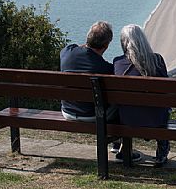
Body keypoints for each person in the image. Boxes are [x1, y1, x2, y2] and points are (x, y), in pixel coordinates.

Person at [60, 21, 141, 162]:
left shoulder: (68, 52)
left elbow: (74, 49)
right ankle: (124, 150)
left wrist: (86, 48)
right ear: (107, 45)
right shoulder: (106, 68)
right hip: (91, 116)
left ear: (88, 38)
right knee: (123, 101)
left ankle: (117, 143)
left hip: (67, 111)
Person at [113, 24, 170, 167]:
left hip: (127, 118)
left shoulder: (118, 62)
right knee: (161, 106)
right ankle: (162, 147)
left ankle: (123, 146)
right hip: (155, 119)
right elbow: (165, 91)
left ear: (123, 43)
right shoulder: (157, 60)